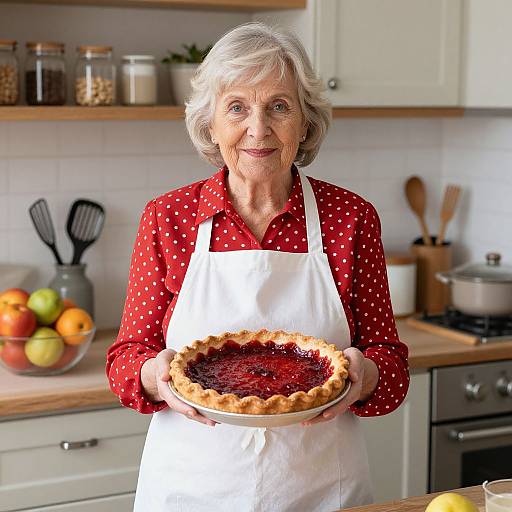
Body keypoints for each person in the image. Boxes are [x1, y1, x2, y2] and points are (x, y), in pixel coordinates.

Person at [106, 21, 409, 512]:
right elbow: (125, 359)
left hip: (321, 492)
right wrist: (152, 374)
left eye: (279, 106)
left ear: (306, 122)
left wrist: (365, 375)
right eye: (237, 108)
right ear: (211, 124)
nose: (258, 128)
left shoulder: (350, 220)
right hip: (190, 492)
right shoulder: (169, 219)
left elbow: (392, 366)